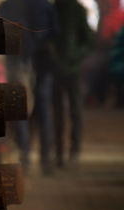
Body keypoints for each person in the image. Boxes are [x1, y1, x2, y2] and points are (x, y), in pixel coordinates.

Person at [0, 0, 59, 174]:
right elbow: (56, 33)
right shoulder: (45, 6)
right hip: (42, 64)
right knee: (44, 111)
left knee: (20, 109)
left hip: (18, 62)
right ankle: (46, 160)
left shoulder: (9, 5)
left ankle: (25, 158)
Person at [53, 0, 94, 167]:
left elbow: (88, 39)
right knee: (60, 113)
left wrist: (76, 54)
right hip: (58, 68)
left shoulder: (76, 10)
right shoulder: (55, 9)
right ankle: (61, 153)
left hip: (72, 69)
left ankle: (72, 151)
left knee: (73, 110)